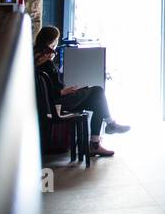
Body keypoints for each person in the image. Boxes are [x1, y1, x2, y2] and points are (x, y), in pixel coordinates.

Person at [34, 25, 128, 158]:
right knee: (97, 91)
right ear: (52, 41)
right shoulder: (46, 61)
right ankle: (104, 132)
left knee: (97, 100)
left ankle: (98, 141)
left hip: (54, 102)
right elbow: (53, 90)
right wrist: (64, 91)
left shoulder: (36, 58)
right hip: (58, 103)